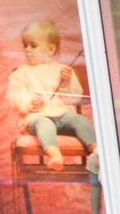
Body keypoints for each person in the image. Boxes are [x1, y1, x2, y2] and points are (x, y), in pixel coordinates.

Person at [6, 20, 96, 171]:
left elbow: (74, 97)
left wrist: (66, 83)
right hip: (35, 118)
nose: (27, 49)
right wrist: (29, 101)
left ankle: (95, 148)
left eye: (33, 45)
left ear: (50, 49)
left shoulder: (62, 70)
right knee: (45, 124)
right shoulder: (21, 72)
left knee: (79, 119)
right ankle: (54, 154)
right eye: (25, 45)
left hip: (63, 117)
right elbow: (14, 97)